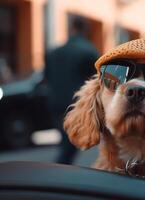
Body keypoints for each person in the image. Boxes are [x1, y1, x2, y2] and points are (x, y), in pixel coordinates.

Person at [44, 17, 99, 164]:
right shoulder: (89, 51)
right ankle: (57, 173)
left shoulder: (53, 52)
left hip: (55, 103)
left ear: (71, 28)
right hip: (75, 105)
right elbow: (97, 80)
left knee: (67, 142)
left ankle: (59, 171)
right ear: (85, 30)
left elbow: (46, 78)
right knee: (70, 144)